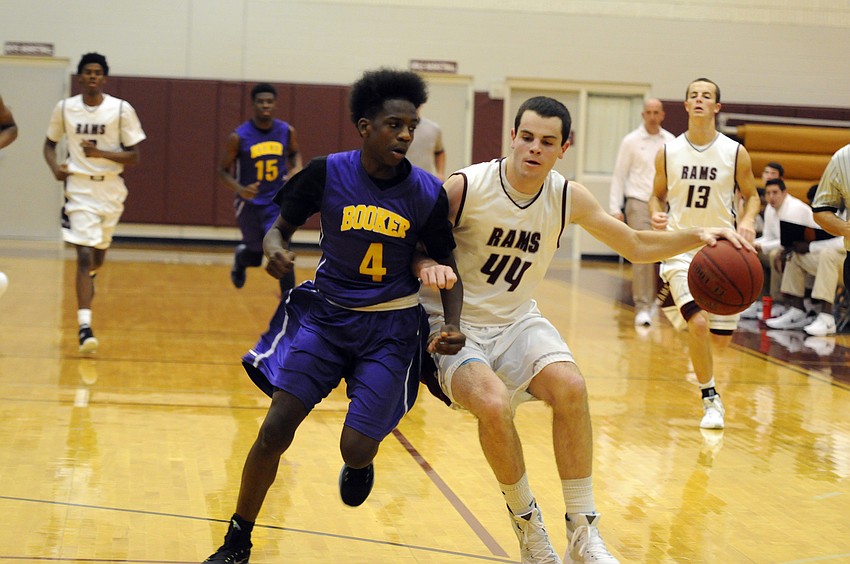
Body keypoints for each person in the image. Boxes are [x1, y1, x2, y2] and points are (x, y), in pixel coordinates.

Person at [415, 96, 750, 564]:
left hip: (516, 320)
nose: (534, 148)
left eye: (547, 141)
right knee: (492, 404)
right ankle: (529, 528)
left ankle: (583, 531)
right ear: (513, 137)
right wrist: (426, 265)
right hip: (454, 324)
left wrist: (701, 236)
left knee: (572, 386)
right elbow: (413, 244)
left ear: (563, 147)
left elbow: (634, 244)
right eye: (527, 137)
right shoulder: (466, 186)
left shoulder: (567, 195)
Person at [204, 68, 466, 564]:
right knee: (275, 428)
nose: (407, 135)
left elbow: (447, 265)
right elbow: (278, 230)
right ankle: (237, 539)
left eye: (412, 125)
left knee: (355, 447)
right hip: (325, 319)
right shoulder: (326, 171)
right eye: (395, 125)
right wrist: (274, 250)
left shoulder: (426, 192)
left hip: (389, 329)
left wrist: (453, 324)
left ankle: (362, 461)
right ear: (365, 126)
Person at [649, 78, 760, 430]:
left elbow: (752, 195)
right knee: (698, 322)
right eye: (693, 95)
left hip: (723, 250)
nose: (699, 100)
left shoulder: (735, 152)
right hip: (682, 249)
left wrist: (747, 221)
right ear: (685, 106)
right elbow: (657, 194)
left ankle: (702, 368)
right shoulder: (667, 151)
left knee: (720, 341)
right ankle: (711, 400)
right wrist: (656, 212)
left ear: (717, 107)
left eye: (706, 96)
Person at [42, 52, 146, 354]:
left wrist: (101, 154)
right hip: (78, 190)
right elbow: (49, 145)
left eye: (97, 72)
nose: (92, 76)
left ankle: (91, 279)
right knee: (84, 255)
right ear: (80, 76)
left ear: (104, 78)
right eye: (87, 71)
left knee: (98, 255)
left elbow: (135, 156)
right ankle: (85, 327)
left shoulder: (121, 110)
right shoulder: (64, 109)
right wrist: (55, 168)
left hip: (111, 189)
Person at [218, 82, 302, 292]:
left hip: (276, 203)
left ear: (275, 104)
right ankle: (241, 259)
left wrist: (297, 168)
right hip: (250, 205)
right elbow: (222, 171)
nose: (265, 105)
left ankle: (288, 302)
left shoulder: (285, 131)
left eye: (269, 101)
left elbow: (294, 154)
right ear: (253, 104)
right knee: (255, 256)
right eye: (261, 101)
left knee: (281, 250)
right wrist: (240, 188)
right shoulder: (238, 137)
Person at [608, 98, 674, 326]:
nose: (653, 116)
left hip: (665, 204)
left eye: (657, 112)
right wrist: (615, 207)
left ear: (663, 115)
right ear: (643, 114)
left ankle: (664, 303)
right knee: (642, 255)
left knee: (670, 254)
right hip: (637, 202)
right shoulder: (631, 141)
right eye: (649, 112)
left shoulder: (671, 142)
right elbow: (619, 174)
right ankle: (643, 306)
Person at [767, 184, 846, 336]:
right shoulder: (826, 214)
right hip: (836, 263)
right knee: (795, 255)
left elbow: (843, 243)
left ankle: (827, 318)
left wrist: (810, 246)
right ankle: (797, 311)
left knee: (827, 254)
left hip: (844, 264)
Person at [741, 177, 810, 319]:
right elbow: (768, 237)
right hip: (785, 248)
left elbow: (788, 241)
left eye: (775, 192)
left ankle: (778, 303)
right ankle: (760, 301)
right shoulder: (769, 209)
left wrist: (761, 245)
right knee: (752, 253)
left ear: (784, 193)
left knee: (773, 254)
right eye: (768, 193)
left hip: (805, 249)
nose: (771, 197)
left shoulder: (794, 208)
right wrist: (751, 243)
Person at [405, 113, 445, 180]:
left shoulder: (433, 128)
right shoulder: (395, 129)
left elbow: (439, 152)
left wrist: (440, 173)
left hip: (425, 181)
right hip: (401, 181)